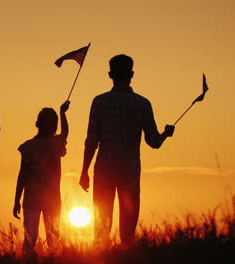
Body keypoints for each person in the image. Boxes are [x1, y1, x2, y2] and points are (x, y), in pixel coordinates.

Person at [79, 54, 175, 247]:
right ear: (132, 74)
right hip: (130, 173)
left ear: (110, 75)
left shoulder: (99, 102)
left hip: (104, 172)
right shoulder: (142, 104)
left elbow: (91, 141)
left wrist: (84, 171)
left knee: (101, 234)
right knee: (128, 237)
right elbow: (154, 142)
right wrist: (165, 133)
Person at [13, 100, 70, 254]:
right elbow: (22, 175)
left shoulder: (31, 146)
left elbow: (22, 175)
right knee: (49, 240)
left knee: (36, 240)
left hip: (36, 199)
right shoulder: (52, 143)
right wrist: (62, 113)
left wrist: (17, 200)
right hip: (43, 200)